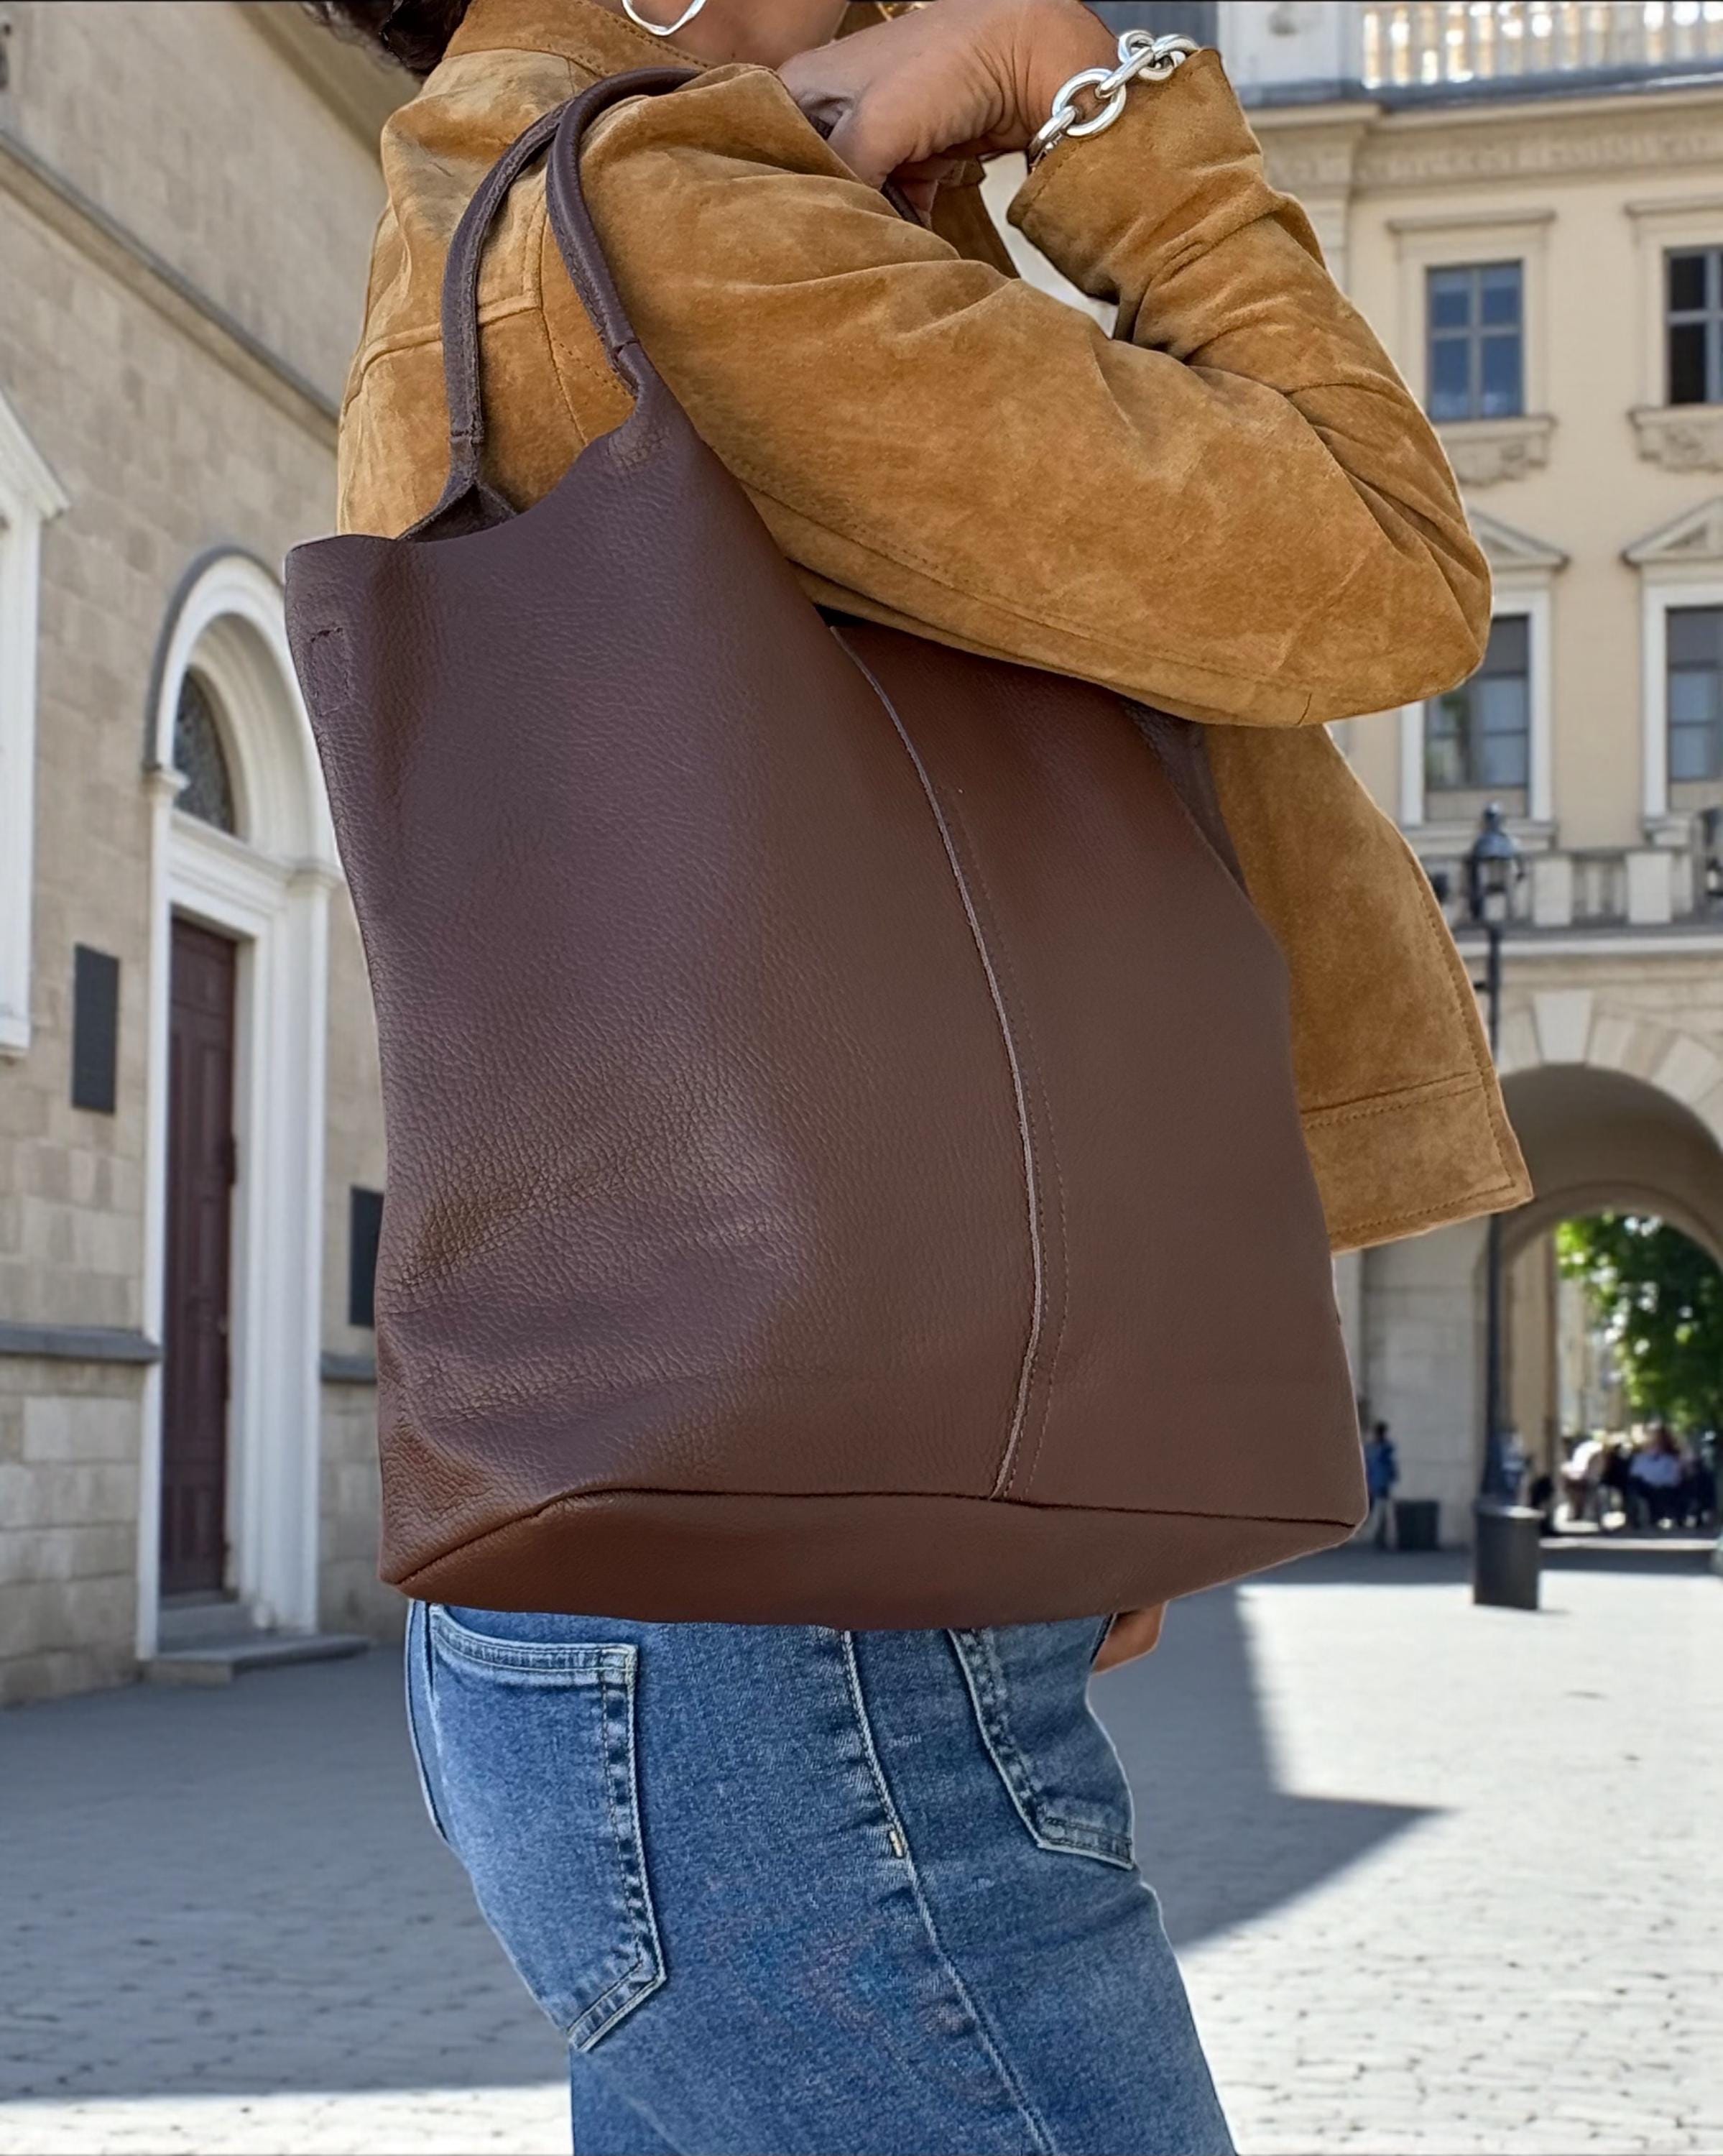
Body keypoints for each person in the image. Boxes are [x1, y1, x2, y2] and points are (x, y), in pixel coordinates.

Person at [305, 0, 1514, 2146]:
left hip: (719, 1622)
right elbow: (1382, 565)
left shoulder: (578, 187)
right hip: (798, 1660)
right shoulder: (677, 217)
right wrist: (1091, 96)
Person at [1362, 1420, 1400, 1549]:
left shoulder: (1379, 1449)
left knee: (1381, 1512)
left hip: (1379, 1484)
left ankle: (1381, 1538)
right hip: (1378, 1484)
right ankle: (1380, 1538)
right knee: (1380, 1512)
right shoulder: (1382, 1449)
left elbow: (1370, 1467)